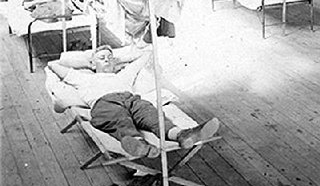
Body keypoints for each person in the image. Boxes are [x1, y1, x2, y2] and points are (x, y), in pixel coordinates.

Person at [47, 45, 220, 158]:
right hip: (104, 103)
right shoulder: (82, 78)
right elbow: (54, 64)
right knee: (119, 120)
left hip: (131, 100)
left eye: (110, 57)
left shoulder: (123, 75)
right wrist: (87, 60)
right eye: (102, 58)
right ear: (92, 64)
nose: (107, 59)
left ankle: (182, 135)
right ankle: (137, 143)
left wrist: (118, 59)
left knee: (151, 114)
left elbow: (145, 55)